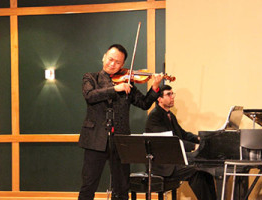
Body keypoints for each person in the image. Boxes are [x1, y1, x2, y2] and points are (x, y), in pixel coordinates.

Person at [78, 44, 163, 200]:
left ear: (123, 65)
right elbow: (90, 95)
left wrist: (155, 87)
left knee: (122, 186)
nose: (112, 64)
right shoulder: (91, 78)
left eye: (117, 62)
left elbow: (144, 104)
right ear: (104, 57)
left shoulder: (127, 83)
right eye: (110, 59)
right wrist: (115, 89)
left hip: (121, 139)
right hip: (95, 139)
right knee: (89, 184)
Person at [145, 84, 217, 200]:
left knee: (205, 170)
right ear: (159, 99)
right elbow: (170, 142)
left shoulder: (170, 115)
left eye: (172, 94)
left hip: (174, 160)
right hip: (163, 165)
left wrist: (201, 139)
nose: (172, 97)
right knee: (196, 171)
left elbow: (183, 134)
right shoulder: (154, 116)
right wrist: (194, 146)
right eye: (168, 94)